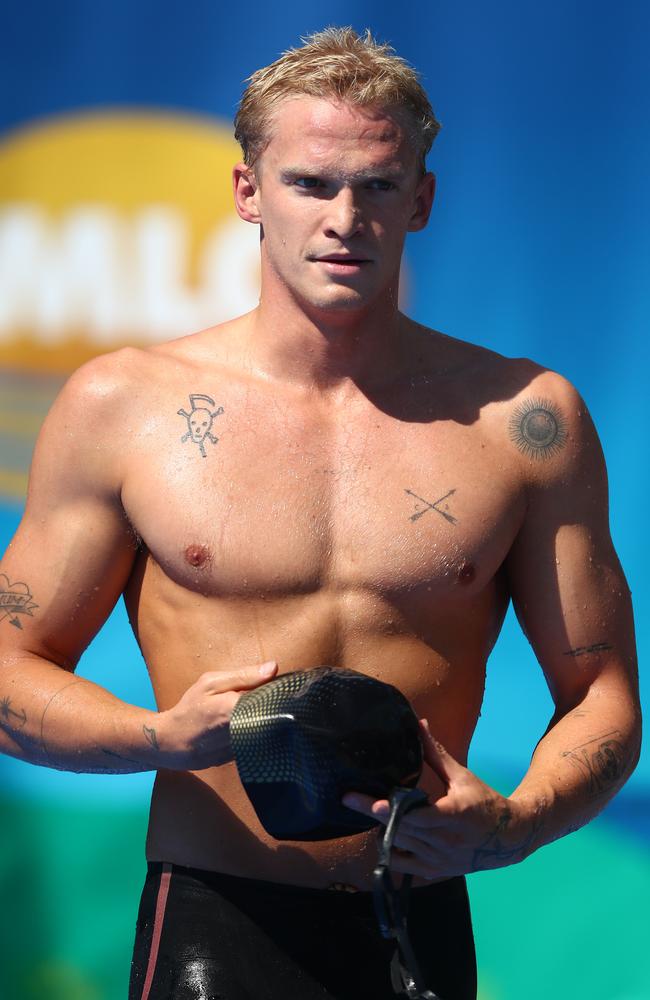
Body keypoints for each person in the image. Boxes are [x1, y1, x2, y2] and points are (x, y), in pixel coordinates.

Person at [0, 26, 640, 1000]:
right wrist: (160, 739)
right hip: (215, 919)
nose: (344, 216)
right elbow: (11, 663)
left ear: (419, 199)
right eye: (309, 183)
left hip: (416, 915)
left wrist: (510, 825)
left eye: (377, 185)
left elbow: (601, 695)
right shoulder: (122, 407)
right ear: (247, 193)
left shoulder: (524, 420)